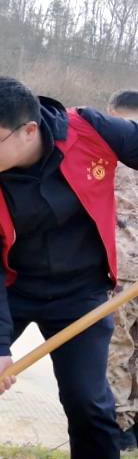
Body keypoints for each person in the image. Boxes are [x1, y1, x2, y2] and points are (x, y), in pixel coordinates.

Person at [0, 76, 138, 458]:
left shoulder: (90, 130)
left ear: (29, 130)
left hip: (80, 293)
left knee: (88, 402)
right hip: (8, 289)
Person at [106, 89, 138, 450]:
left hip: (119, 268)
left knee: (116, 346)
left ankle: (121, 425)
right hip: (122, 268)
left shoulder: (107, 152)